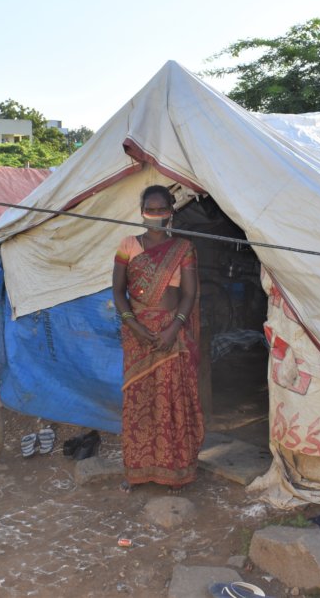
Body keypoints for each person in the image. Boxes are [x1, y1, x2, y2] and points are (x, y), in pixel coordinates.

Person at [112, 185, 203, 492]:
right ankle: (137, 470)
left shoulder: (183, 247)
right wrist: (135, 326)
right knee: (140, 402)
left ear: (170, 213)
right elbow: (118, 291)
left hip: (170, 334)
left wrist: (173, 328)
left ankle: (175, 470)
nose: (155, 215)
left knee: (171, 401)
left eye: (161, 209)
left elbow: (189, 294)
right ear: (141, 211)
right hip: (137, 335)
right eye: (150, 209)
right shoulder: (127, 245)